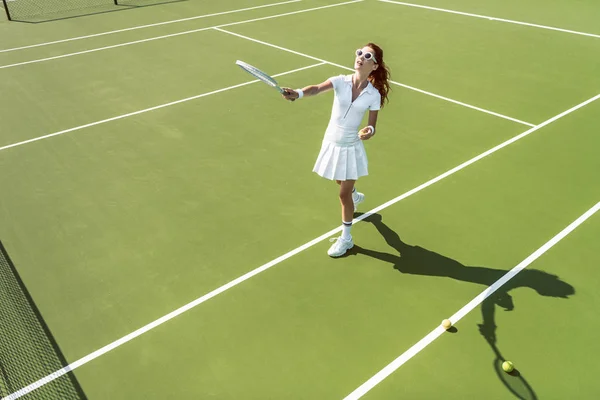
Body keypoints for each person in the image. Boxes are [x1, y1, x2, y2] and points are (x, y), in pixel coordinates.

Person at [281, 43, 391, 257]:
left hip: (351, 146)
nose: (360, 56)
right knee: (339, 181)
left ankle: (346, 239)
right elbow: (316, 88)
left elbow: (372, 125)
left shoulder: (373, 95)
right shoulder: (340, 81)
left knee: (342, 194)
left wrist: (368, 130)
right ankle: (355, 195)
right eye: (359, 52)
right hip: (332, 142)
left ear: (374, 65)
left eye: (367, 55)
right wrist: (298, 93)